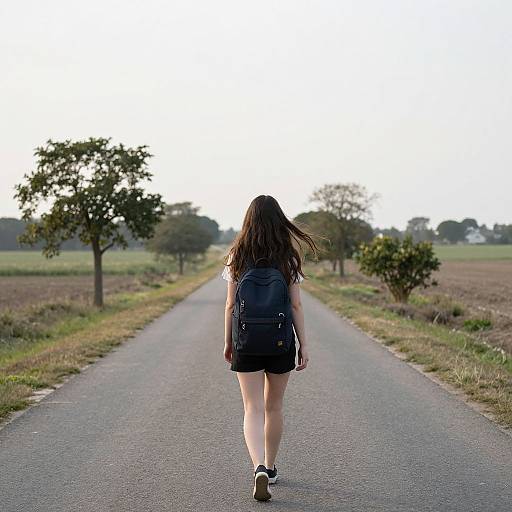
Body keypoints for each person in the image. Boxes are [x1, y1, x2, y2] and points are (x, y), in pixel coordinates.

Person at [221, 195, 321, 501]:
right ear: (280, 221)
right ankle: (272, 466)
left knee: (252, 408)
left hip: (246, 340)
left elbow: (229, 305)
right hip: (280, 341)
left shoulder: (237, 255)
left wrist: (228, 341)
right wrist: (304, 343)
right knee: (273, 406)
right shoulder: (288, 257)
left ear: (248, 221)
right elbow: (295, 304)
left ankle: (259, 466)